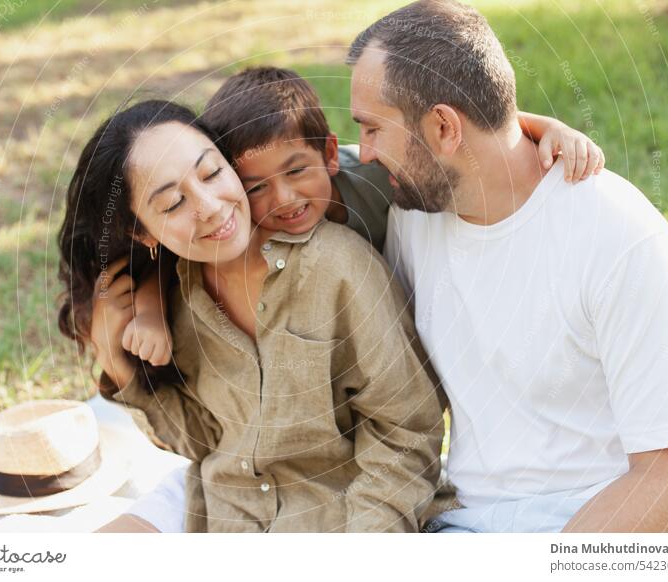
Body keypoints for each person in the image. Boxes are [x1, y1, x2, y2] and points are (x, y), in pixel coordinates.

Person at [346, 0, 668, 532]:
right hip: (475, 526)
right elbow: (267, 177)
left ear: (444, 127)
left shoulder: (618, 237)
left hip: (621, 530)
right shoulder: (417, 208)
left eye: (373, 128)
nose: (367, 151)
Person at [57, 99, 447, 532]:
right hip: (227, 516)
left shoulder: (337, 267)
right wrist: (117, 363)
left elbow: (406, 435)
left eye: (212, 173)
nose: (209, 206)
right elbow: (208, 440)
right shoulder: (177, 299)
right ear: (142, 232)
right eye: (172, 204)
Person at [121, 66, 604, 369]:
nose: (284, 198)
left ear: (330, 154)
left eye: (296, 171)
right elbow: (168, 256)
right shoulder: (233, 217)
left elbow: (465, 141)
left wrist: (543, 127)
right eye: (257, 187)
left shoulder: (373, 177)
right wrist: (147, 311)